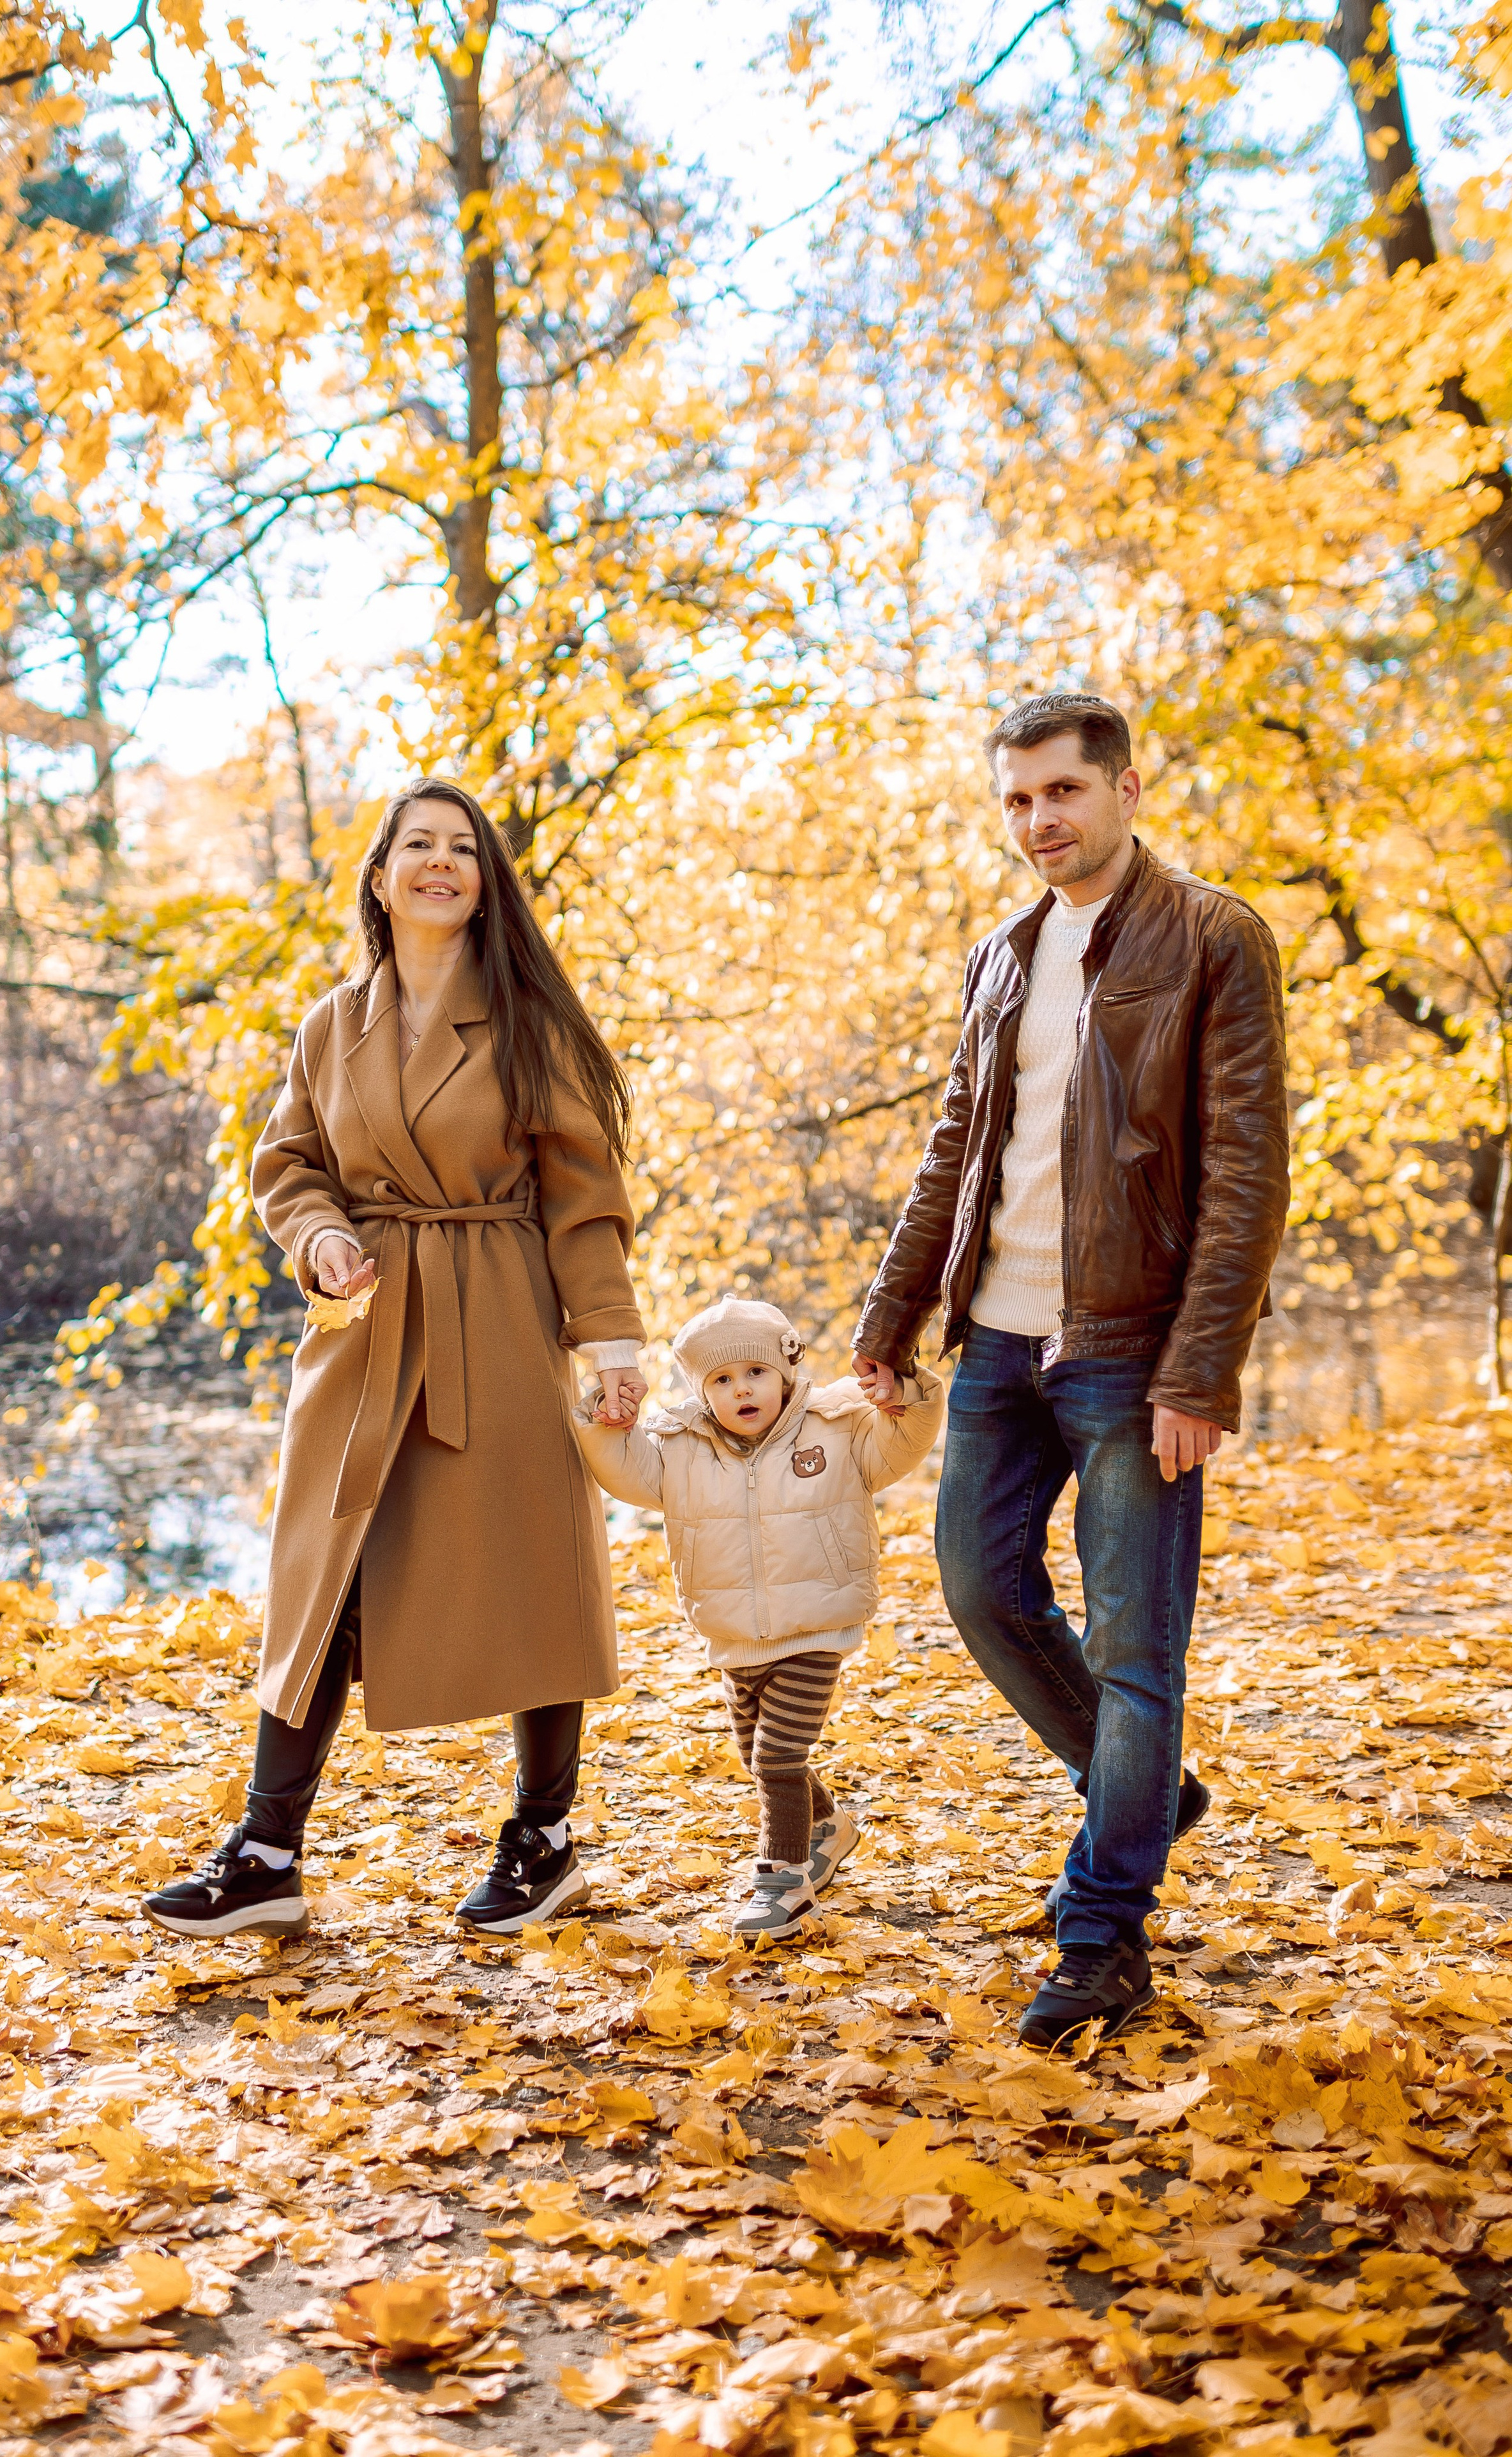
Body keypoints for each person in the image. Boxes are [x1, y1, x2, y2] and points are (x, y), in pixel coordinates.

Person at [852, 693, 1289, 2047]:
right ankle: (1141, 1788)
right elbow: (952, 1149)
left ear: (1125, 789)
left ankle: (1101, 1931)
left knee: (1133, 1642)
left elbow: (1245, 1173)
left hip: (1127, 1349)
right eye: (1016, 800)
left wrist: (1197, 1370)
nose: (1039, 820)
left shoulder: (1213, 936)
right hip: (994, 1337)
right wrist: (886, 1317)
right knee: (980, 1590)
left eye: (1062, 792)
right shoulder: (997, 956)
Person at [143, 777, 647, 1942]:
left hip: (501, 1315)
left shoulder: (529, 1021)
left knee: (527, 1567)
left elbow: (585, 1200)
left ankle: (545, 1836)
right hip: (366, 1331)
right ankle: (267, 1850)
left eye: (460, 848)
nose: (438, 861)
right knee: (327, 1573)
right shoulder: (331, 1023)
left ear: (484, 882)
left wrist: (610, 1340)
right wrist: (317, 1231)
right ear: (379, 877)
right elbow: (287, 1160)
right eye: (415, 844)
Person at [575, 1295, 943, 1940]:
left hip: (815, 1626)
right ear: (701, 1390)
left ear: (786, 1372)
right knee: (756, 1753)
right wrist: (605, 1424)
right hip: (734, 1634)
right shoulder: (678, 1444)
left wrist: (906, 1398)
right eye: (720, 1379)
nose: (740, 1388)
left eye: (754, 1372)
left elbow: (901, 1444)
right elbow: (625, 1471)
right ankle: (826, 1826)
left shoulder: (837, 1425)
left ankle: (784, 1883)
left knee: (778, 1753)